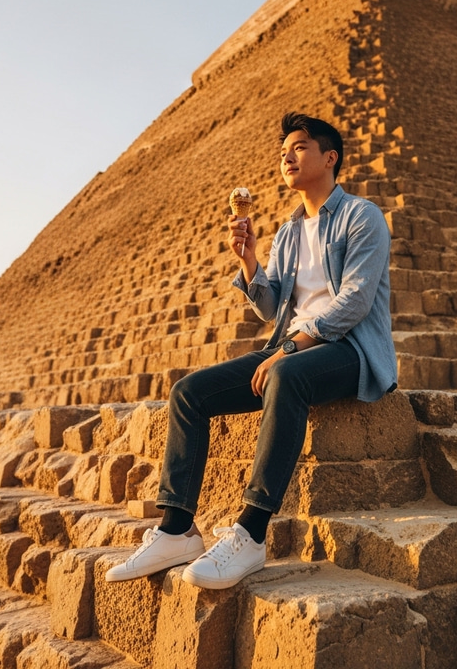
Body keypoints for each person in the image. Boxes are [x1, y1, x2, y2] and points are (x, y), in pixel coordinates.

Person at [105, 112, 397, 589]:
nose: (287, 156)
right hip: (291, 347)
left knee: (286, 375)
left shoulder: (362, 217)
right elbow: (272, 305)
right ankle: (176, 528)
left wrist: (291, 349)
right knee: (188, 392)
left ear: (330, 157)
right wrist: (249, 262)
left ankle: (251, 532)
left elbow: (356, 302)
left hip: (350, 350)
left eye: (299, 147)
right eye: (283, 150)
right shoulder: (287, 232)